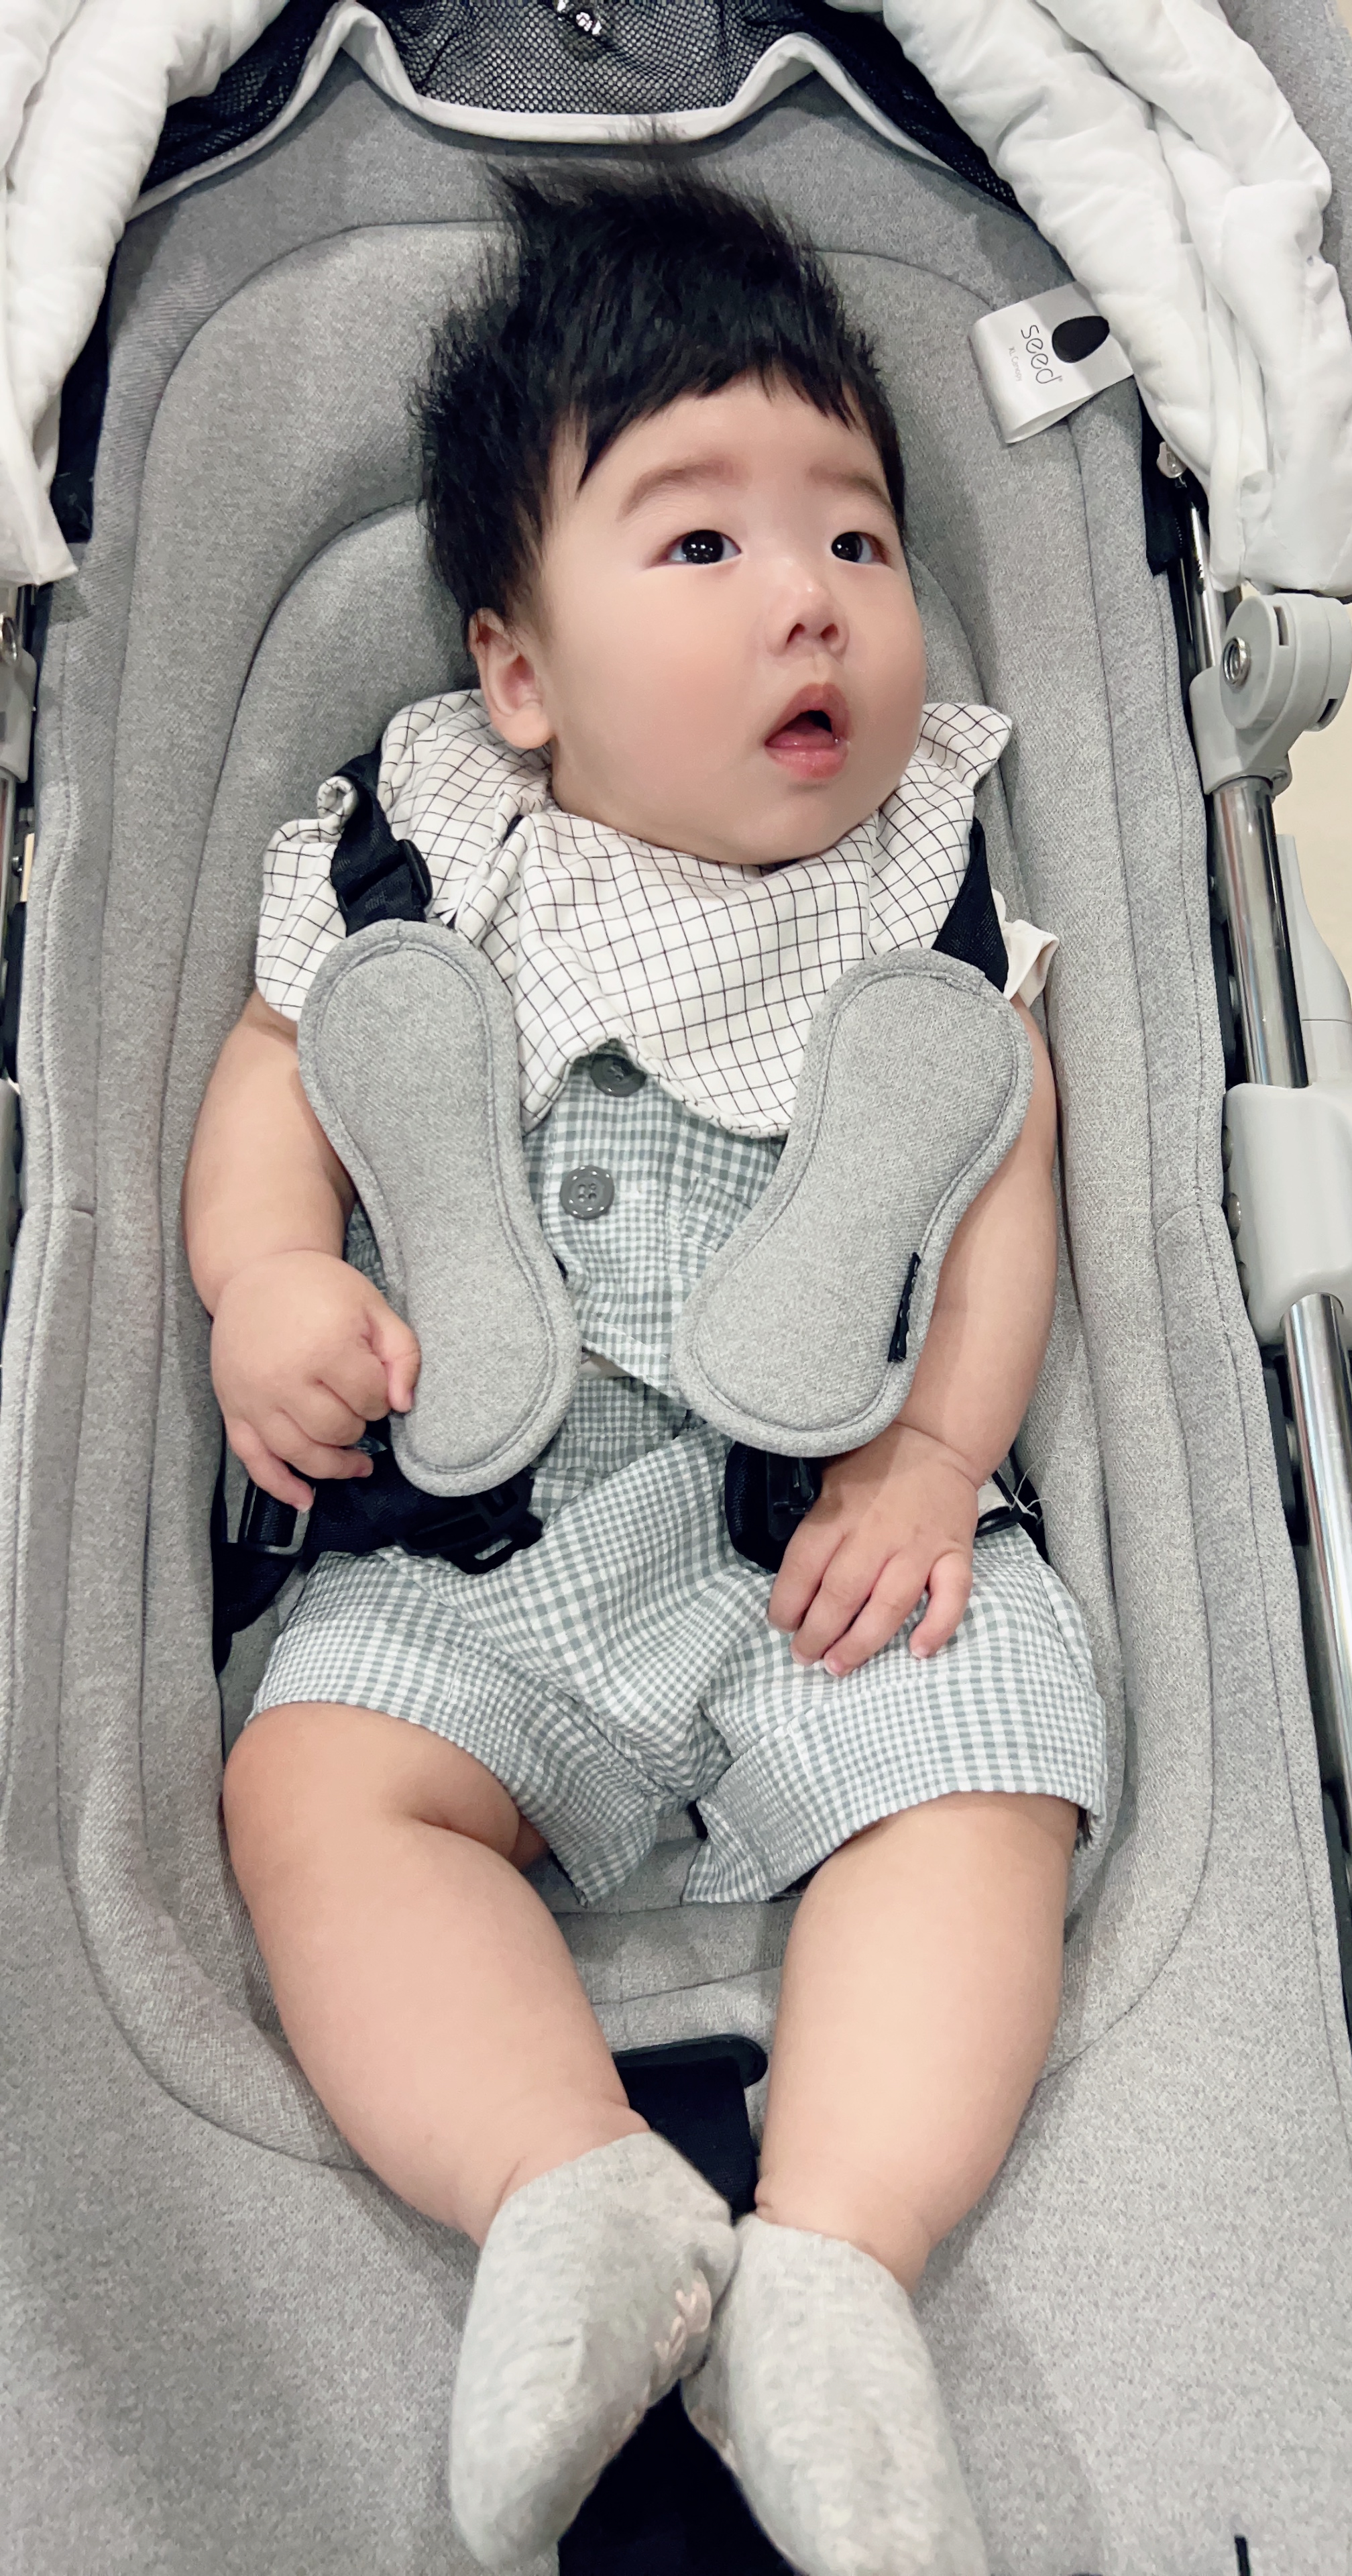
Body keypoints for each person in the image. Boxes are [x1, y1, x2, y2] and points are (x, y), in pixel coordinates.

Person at [184, 165, 1105, 2576]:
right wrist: (268, 1280)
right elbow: (283, 1069)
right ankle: (572, 2190)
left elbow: (1001, 1171)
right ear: (519, 675)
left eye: (861, 538)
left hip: (822, 1544)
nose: (814, 596)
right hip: (480, 1540)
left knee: (985, 1776)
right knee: (315, 1791)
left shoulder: (921, 877)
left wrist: (943, 1453)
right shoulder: (435, 848)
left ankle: (834, 2263)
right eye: (702, 543)